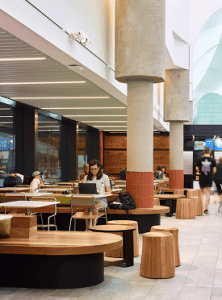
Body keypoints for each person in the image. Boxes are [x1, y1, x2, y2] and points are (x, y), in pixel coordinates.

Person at [196, 147, 216, 214]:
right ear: (209, 152)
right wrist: (210, 173)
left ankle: (201, 208)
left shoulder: (199, 159)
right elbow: (214, 170)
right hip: (209, 177)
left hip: (202, 177)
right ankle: (206, 208)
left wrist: (201, 171)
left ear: (203, 152)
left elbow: (197, 169)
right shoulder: (212, 160)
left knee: (202, 193)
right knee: (208, 193)